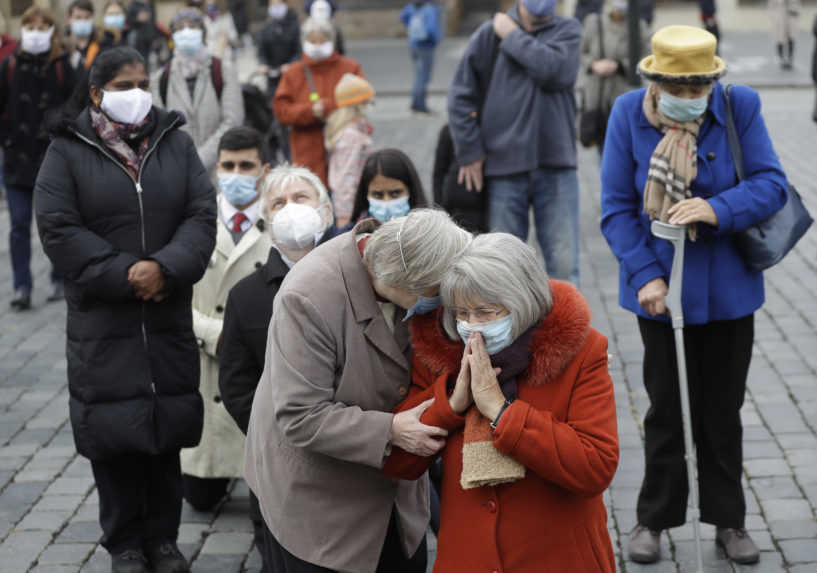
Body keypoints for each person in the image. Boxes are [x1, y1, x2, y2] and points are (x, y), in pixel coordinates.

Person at [600, 25, 788, 565]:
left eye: (697, 88)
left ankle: (729, 519)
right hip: (660, 291)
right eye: (676, 89)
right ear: (653, 82)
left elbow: (771, 183)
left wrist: (717, 208)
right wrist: (644, 277)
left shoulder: (738, 105)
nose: (687, 99)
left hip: (728, 291)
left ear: (713, 81)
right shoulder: (627, 113)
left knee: (722, 410)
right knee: (665, 409)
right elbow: (616, 207)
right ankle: (654, 518)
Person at [34, 46, 216, 573]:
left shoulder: (175, 144)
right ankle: (125, 544)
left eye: (142, 82)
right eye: (123, 84)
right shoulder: (66, 152)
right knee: (114, 437)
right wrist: (124, 274)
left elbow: (202, 214)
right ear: (96, 93)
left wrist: (167, 266)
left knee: (165, 432)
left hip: (166, 317)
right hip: (104, 323)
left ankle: (163, 539)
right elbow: (59, 229)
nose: (135, 93)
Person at [244, 209, 471, 573]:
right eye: (436, 294)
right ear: (403, 282)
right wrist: (391, 430)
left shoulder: (412, 274)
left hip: (397, 497)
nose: (443, 304)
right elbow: (300, 415)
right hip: (321, 503)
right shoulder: (308, 295)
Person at [383, 233, 619, 572]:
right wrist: (450, 405)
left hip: (560, 558)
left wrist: (501, 411)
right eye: (462, 313)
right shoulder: (442, 356)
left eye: (486, 312)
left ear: (522, 303)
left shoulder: (582, 352)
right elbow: (397, 462)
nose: (472, 327)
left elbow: (594, 466)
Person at [219, 162, 336, 573]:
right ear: (267, 220)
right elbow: (236, 383)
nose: (290, 207)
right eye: (279, 202)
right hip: (278, 464)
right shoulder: (246, 296)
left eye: (301, 198)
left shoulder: (360, 280)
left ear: (325, 211)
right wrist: (276, 434)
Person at [448, 0, 582, 285]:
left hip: (556, 164)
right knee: (503, 268)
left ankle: (569, 329)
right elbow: (460, 96)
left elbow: (555, 71)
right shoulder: (487, 35)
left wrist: (511, 35)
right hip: (504, 167)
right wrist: (470, 150)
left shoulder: (567, 30)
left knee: (564, 265)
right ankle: (510, 329)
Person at [180, 126, 272, 515]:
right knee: (199, 499)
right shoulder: (191, 220)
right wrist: (212, 334)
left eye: (246, 165)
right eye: (228, 165)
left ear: (264, 169)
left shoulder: (282, 222)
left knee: (263, 485)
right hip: (204, 361)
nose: (237, 174)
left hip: (257, 362)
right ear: (216, 169)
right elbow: (174, 299)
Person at [1, 5, 75, 310]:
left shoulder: (61, 65)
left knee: (53, 222)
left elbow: (74, 106)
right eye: (30, 26)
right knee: (19, 225)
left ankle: (59, 277)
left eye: (41, 26)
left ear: (51, 30)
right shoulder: (8, 65)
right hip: (16, 157)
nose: (35, 32)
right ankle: (21, 286)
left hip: (51, 158)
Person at [152, 8, 244, 176]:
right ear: (172, 36)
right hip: (178, 171)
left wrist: (200, 158)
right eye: (180, 28)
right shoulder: (160, 78)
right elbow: (159, 128)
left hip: (220, 170)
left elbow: (233, 121)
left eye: (193, 26)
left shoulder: (222, 70)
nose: (186, 32)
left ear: (203, 33)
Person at [273, 16, 363, 185]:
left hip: (345, 149)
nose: (317, 45)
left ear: (332, 40)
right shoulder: (292, 73)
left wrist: (328, 107)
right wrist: (309, 111)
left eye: (323, 40)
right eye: (312, 41)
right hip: (306, 152)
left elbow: (361, 102)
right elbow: (281, 110)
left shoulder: (350, 68)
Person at [580, 0, 649, 154]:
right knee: (602, 148)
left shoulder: (638, 25)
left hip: (624, 92)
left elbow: (647, 58)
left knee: (624, 144)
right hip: (597, 96)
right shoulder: (593, 22)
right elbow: (581, 52)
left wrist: (619, 65)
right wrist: (593, 65)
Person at [326, 73, 374, 228]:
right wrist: (344, 217)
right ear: (358, 105)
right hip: (351, 209)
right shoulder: (352, 136)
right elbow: (346, 176)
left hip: (354, 205)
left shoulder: (353, 131)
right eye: (367, 102)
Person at [346, 148, 428, 229]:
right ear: (365, 193)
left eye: (395, 194)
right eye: (378, 195)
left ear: (411, 191)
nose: (386, 202)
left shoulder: (429, 233)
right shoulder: (349, 237)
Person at [432, 124, 487, 233]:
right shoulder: (448, 131)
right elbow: (438, 174)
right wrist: (439, 210)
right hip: (454, 211)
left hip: (483, 212)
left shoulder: (491, 133)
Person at [400, 1, 441, 114]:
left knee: (418, 75)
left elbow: (402, 16)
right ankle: (420, 105)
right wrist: (435, 40)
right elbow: (432, 29)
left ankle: (415, 103)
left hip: (413, 45)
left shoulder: (412, 6)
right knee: (423, 77)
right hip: (426, 47)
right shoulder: (430, 8)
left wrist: (411, 28)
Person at [257, 0, 301, 103]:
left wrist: (290, 64)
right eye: (272, 4)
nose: (275, 7)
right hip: (272, 76)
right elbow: (261, 51)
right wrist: (263, 64)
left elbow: (299, 51)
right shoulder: (266, 27)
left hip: (291, 75)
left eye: (278, 4)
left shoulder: (295, 25)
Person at [66, 0, 101, 71]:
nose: (83, 21)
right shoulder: (62, 49)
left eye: (87, 17)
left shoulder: (102, 47)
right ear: (69, 19)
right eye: (78, 17)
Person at [770, 0, 799, 69]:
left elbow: (796, 6)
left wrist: (794, 10)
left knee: (791, 39)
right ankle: (781, 59)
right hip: (779, 19)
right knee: (779, 39)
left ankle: (790, 59)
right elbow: (771, 6)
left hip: (790, 18)